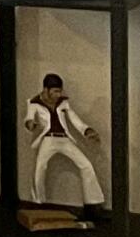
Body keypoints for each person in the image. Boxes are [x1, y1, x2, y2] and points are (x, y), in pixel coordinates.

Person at [23, 75, 107, 210]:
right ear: (46, 90)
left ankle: (93, 203)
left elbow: (75, 119)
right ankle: (38, 203)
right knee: (39, 168)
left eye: (59, 91)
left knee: (86, 165)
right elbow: (29, 118)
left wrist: (87, 130)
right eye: (55, 91)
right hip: (48, 139)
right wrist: (30, 124)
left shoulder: (63, 103)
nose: (58, 94)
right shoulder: (34, 103)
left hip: (64, 139)